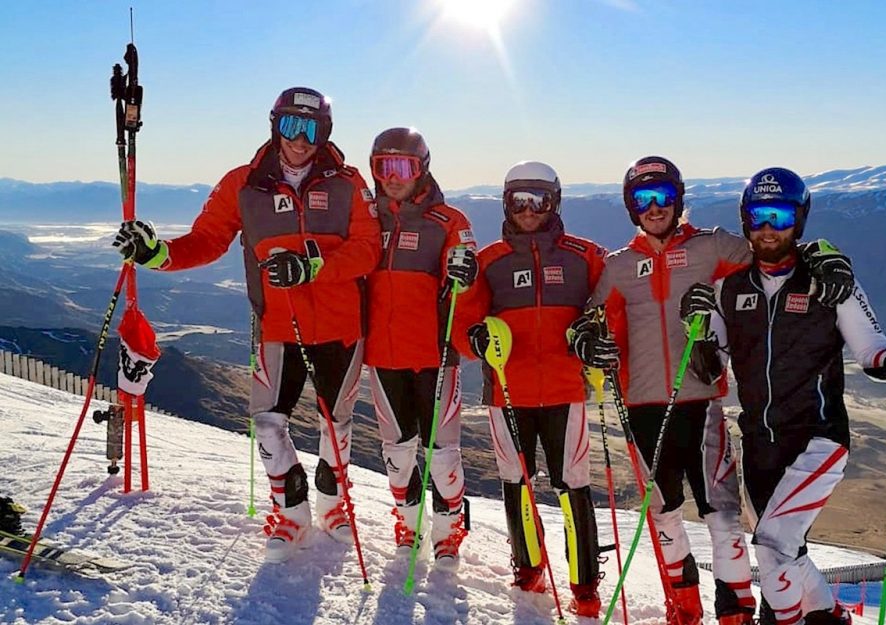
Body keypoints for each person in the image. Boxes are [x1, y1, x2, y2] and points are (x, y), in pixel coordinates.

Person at [574, 156, 856, 625]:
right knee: (662, 514)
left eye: (664, 196)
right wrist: (584, 338)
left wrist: (824, 254)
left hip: (701, 402)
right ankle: (683, 606)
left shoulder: (712, 246)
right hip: (641, 405)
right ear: (631, 206)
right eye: (644, 198)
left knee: (722, 516)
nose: (655, 207)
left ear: (679, 199)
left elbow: (773, 251)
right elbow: (589, 318)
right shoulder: (619, 266)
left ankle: (735, 611)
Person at [113, 87, 381, 563]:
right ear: (274, 125)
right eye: (290, 126)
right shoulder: (244, 183)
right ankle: (292, 511)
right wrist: (158, 254)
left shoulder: (349, 183)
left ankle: (334, 505)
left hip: (342, 326)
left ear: (326, 133)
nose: (300, 139)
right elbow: (208, 239)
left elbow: (368, 248)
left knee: (334, 423)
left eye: (311, 128)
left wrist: (315, 267)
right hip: (278, 324)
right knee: (267, 423)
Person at [680, 167, 886, 625]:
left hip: (818, 439)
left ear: (799, 220)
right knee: (788, 548)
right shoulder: (731, 288)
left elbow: (873, 355)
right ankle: (826, 615)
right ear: (745, 220)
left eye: (780, 216)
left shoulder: (831, 284)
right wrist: (696, 325)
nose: (768, 228)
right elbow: (711, 364)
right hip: (760, 445)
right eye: (758, 215)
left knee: (772, 544)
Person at [454, 161, 605, 618]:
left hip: (566, 390)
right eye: (519, 200)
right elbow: (463, 324)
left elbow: (609, 307)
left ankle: (583, 584)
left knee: (572, 486)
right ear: (506, 203)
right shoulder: (491, 261)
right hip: (507, 392)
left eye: (538, 200)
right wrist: (474, 340)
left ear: (554, 202)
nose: (528, 210)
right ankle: (528, 567)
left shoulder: (584, 256)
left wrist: (596, 337)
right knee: (516, 483)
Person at [363, 127, 476, 569]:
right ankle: (409, 525)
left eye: (402, 167)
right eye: (382, 167)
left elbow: (470, 279)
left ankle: (448, 530)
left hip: (434, 354)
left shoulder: (448, 221)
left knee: (442, 453)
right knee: (397, 451)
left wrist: (464, 275)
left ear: (422, 169)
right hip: (382, 354)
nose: (392, 177)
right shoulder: (367, 218)